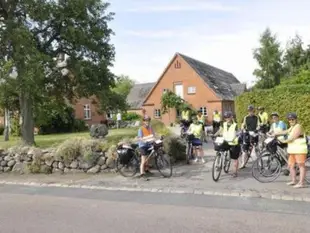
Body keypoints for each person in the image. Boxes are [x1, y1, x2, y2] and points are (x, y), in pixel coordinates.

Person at [273, 113, 307, 188]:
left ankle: (301, 183)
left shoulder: (298, 126)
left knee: (301, 166)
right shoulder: (292, 127)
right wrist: (275, 133)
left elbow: (292, 138)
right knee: (291, 165)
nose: (291, 121)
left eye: (292, 119)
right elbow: (285, 131)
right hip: (292, 150)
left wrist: (282, 140)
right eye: (289, 120)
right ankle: (293, 180)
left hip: (300, 150)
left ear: (296, 119)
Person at [214, 111, 240, 177]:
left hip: (233, 143)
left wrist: (234, 138)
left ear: (231, 117)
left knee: (235, 159)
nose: (227, 119)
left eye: (228, 117)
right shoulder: (224, 124)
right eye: (225, 117)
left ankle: (235, 172)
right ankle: (218, 164)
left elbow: (235, 133)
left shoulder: (235, 125)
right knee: (218, 149)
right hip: (225, 142)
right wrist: (214, 134)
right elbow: (220, 130)